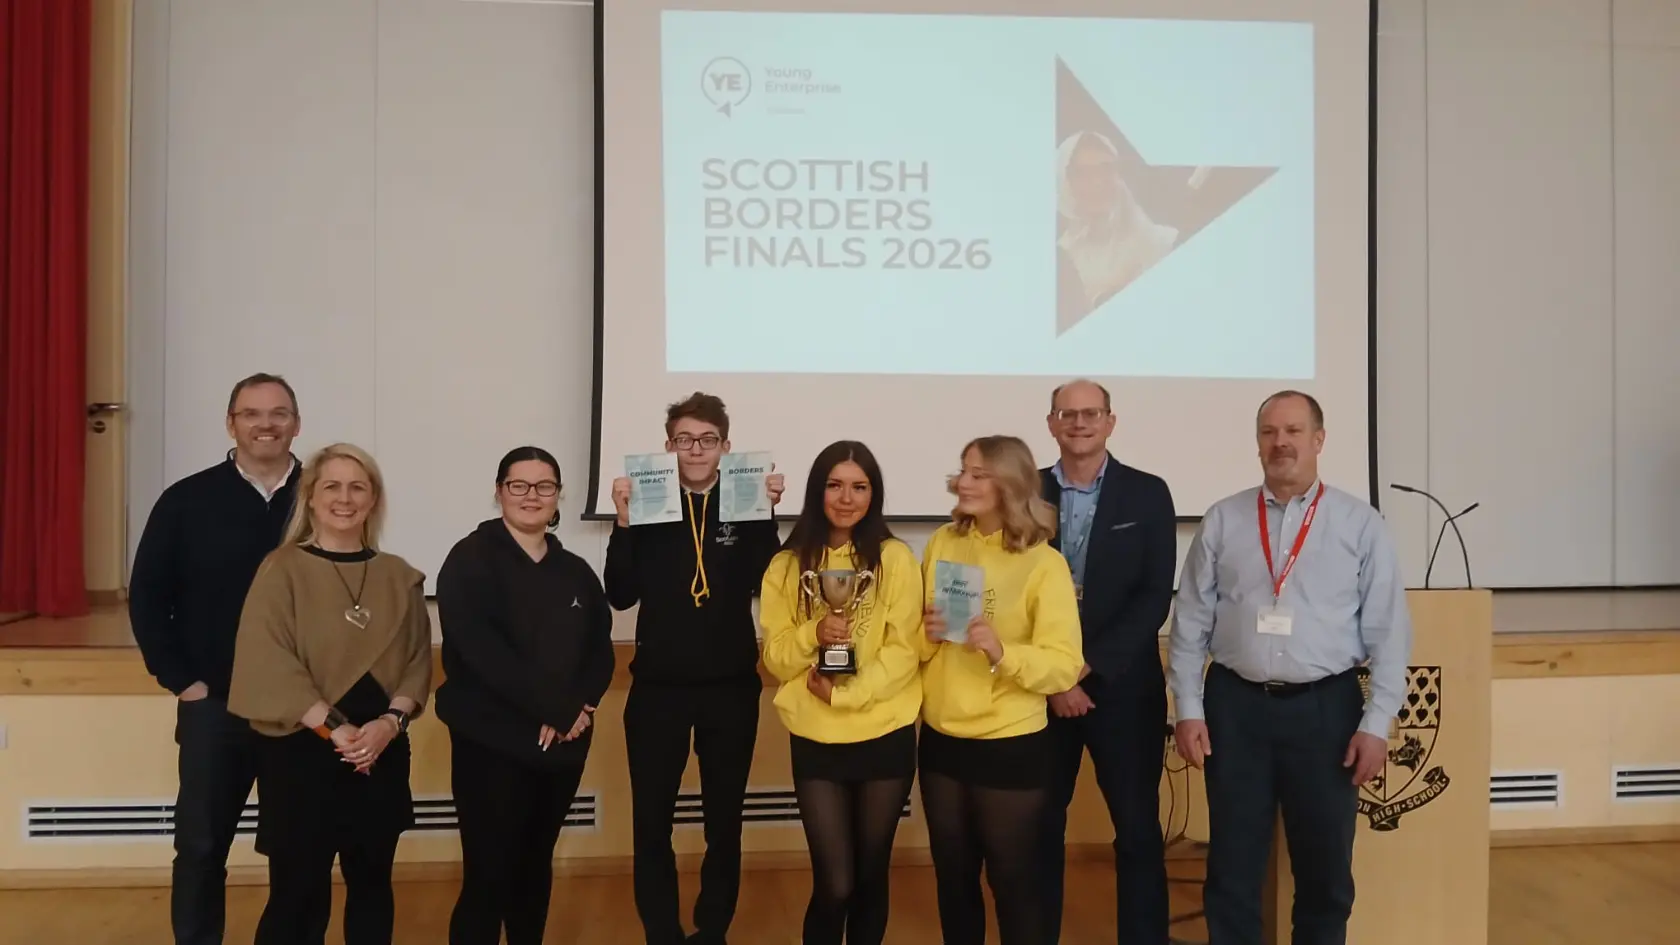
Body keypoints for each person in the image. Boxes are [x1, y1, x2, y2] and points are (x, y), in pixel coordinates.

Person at [1169, 391, 1411, 945]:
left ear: (1319, 440)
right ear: (1257, 443)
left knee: (1325, 872)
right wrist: (1187, 708)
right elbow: (1189, 624)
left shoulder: (1360, 524)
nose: (1281, 443)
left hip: (1325, 711)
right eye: (1269, 432)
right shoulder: (1224, 519)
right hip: (1235, 708)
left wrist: (1377, 725)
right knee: (1232, 867)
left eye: (1294, 431)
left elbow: (1389, 634)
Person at [227, 443, 433, 945]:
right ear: (312, 498)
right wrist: (336, 730)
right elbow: (269, 661)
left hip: (379, 752)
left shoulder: (398, 576)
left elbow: (416, 663)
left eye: (357, 486)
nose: (345, 498)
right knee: (298, 898)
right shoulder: (282, 570)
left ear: (373, 499)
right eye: (332, 487)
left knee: (372, 889)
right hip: (302, 754)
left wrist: (388, 726)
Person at [604, 392, 785, 945]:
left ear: (726, 448)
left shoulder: (744, 501)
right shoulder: (651, 503)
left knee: (723, 823)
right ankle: (661, 931)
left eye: (708, 441)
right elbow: (618, 594)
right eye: (684, 440)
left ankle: (712, 931)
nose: (696, 450)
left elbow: (764, 582)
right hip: (657, 689)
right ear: (668, 447)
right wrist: (624, 521)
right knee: (651, 824)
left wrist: (766, 512)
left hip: (731, 689)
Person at [127, 372, 301, 945]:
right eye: (252, 413)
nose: (266, 424)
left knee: (297, 850)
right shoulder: (186, 499)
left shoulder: (327, 497)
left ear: (296, 424)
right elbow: (149, 594)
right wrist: (182, 682)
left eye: (278, 413)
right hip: (215, 705)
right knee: (201, 845)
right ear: (231, 423)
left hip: (304, 709)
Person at [435, 446, 616, 945]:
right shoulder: (469, 560)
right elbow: (481, 654)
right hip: (490, 744)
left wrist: (579, 709)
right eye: (519, 485)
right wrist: (554, 709)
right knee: (489, 876)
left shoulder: (575, 569)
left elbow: (599, 649)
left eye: (544, 486)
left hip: (562, 747)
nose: (531, 496)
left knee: (535, 868)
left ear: (559, 496)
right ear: (499, 492)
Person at [918, 435, 1084, 945]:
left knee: (1015, 885)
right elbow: (922, 649)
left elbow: (1063, 666)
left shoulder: (1043, 564)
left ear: (1010, 485)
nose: (963, 482)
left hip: (1010, 746)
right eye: (963, 471)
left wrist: (1002, 651)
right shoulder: (944, 543)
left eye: (978, 474)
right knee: (954, 881)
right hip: (943, 740)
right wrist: (921, 634)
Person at [759, 441, 923, 945]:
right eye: (835, 485)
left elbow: (903, 651)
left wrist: (846, 696)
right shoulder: (787, 565)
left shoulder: (895, 559)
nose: (846, 498)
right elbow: (777, 656)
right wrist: (814, 633)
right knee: (836, 882)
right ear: (817, 491)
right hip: (816, 738)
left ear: (873, 495)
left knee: (871, 878)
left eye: (859, 487)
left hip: (884, 733)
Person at [1036, 380, 1178, 945]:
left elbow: (1153, 598)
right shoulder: (1027, 490)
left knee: (1138, 831)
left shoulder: (1148, 493)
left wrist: (1084, 668)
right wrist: (1053, 676)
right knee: (1039, 828)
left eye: (1090, 413)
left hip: (1123, 688)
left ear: (1110, 422)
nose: (1078, 422)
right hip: (1041, 692)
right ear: (1050, 424)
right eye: (1066, 413)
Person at [1055, 129, 1178, 320]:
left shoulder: (1166, 241)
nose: (1097, 182)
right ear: (1066, 183)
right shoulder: (1062, 256)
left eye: (1105, 168)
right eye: (1082, 173)